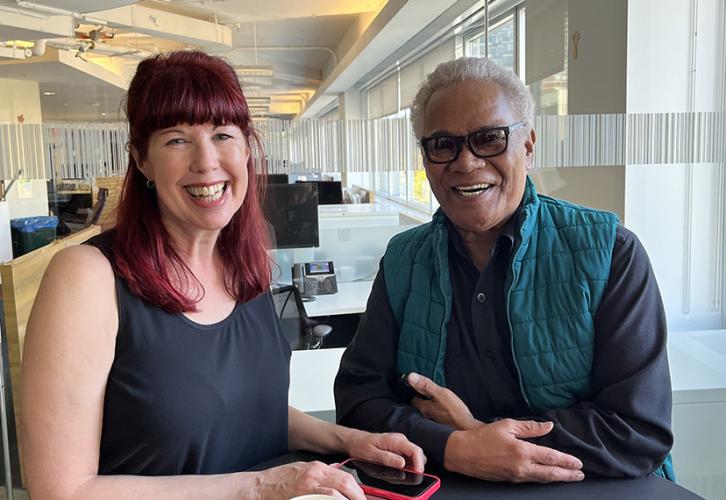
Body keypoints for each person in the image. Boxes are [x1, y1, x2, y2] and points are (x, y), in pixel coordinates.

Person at [21, 50, 424, 500]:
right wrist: (257, 486)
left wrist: (346, 439)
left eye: (222, 134)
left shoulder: (245, 268)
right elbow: (60, 490)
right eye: (176, 139)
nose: (206, 161)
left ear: (246, 148)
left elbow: (243, 413)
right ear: (141, 159)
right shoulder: (87, 277)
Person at [334, 56, 675, 483]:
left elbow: (637, 429)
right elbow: (357, 399)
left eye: (489, 139)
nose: (465, 162)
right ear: (425, 158)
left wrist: (479, 437)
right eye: (443, 144)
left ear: (528, 147)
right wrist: (455, 447)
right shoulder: (405, 260)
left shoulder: (610, 252)